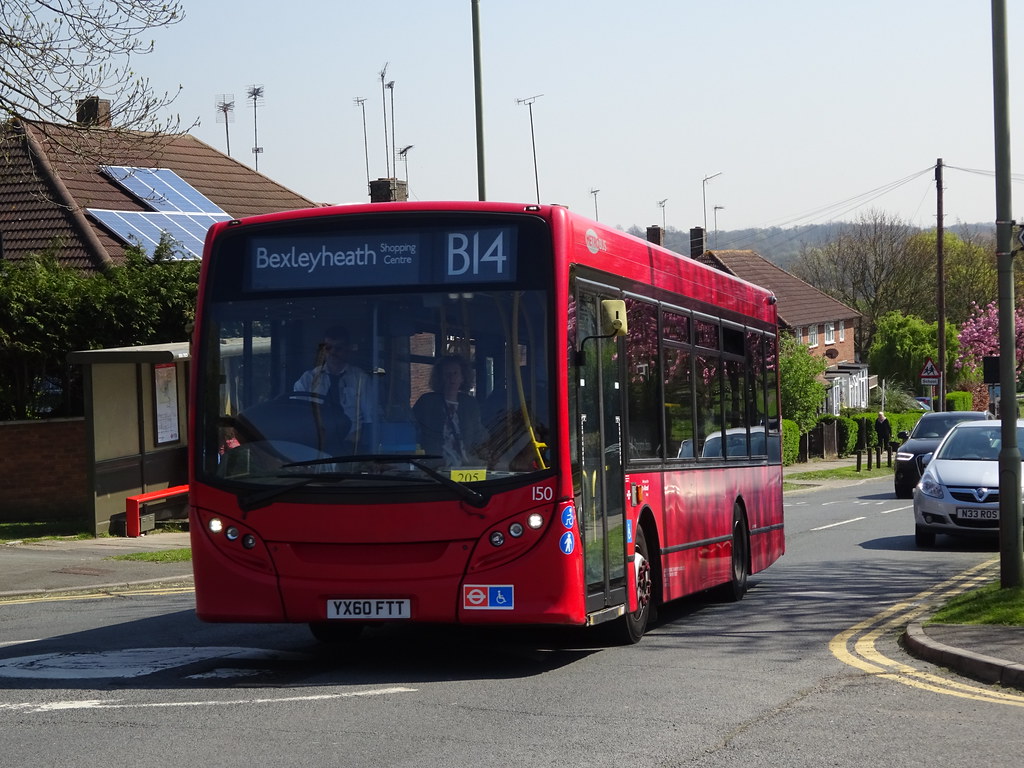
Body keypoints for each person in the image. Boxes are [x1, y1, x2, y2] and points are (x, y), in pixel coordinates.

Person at [293, 325, 373, 449]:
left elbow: (370, 418)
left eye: (338, 348)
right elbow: (298, 417)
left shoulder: (361, 378)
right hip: (316, 446)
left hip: (352, 447)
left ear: (347, 349)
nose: (333, 352)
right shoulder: (307, 379)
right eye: (328, 348)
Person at [413, 354, 484, 466]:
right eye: (447, 374)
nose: (451, 378)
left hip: (467, 466)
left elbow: (478, 435)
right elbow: (415, 431)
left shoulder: (470, 404)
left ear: (463, 377)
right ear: (440, 378)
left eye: (455, 373)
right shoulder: (427, 402)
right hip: (436, 467)